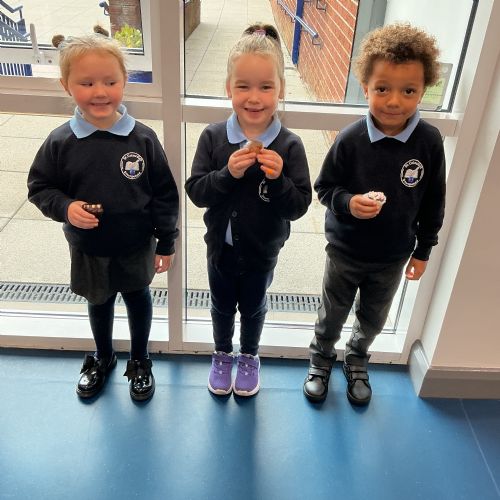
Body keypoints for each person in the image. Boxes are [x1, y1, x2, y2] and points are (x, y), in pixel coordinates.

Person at [27, 32, 179, 402]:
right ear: (66, 86)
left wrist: (166, 242)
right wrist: (66, 208)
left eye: (110, 82)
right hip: (89, 247)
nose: (100, 92)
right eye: (87, 83)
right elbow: (39, 187)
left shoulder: (143, 139)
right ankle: (103, 356)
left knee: (138, 298)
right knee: (99, 302)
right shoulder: (60, 142)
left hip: (135, 245)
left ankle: (140, 359)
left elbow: (164, 194)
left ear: (125, 81)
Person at [303, 23, 446, 405]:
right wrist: (349, 203)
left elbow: (434, 201)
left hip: (393, 256)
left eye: (408, 90)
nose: (394, 101)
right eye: (382, 88)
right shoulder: (350, 139)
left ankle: (356, 359)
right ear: (365, 87)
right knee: (332, 313)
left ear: (423, 90)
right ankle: (320, 359)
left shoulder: (429, 142)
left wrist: (423, 251)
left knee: (373, 317)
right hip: (345, 251)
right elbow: (325, 188)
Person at [185, 24, 312, 397]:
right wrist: (227, 174)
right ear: (228, 88)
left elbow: (299, 205)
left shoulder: (289, 146)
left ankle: (249, 356)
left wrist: (278, 180)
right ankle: (222, 354)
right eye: (243, 86)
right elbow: (196, 192)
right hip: (220, 250)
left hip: (262, 253)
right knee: (221, 306)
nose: (254, 98)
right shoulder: (213, 138)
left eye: (265, 87)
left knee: (254, 307)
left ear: (281, 90)